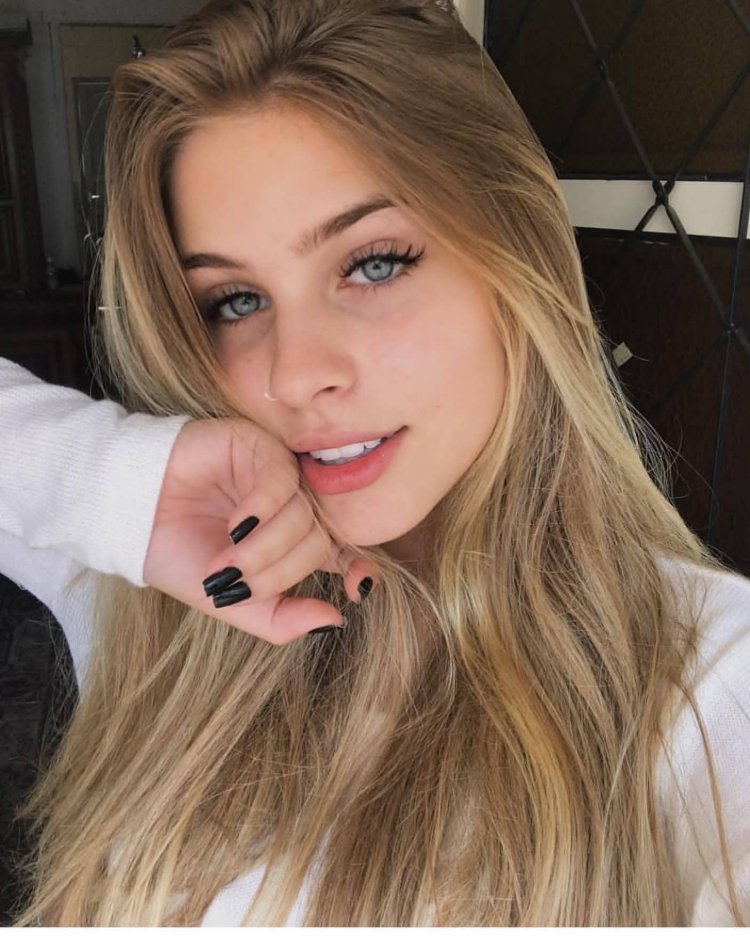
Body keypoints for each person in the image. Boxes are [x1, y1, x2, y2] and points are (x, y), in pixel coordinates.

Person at [1, 0, 749, 925]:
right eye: (235, 301)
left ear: (518, 261)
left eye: (374, 264)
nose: (295, 374)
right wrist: (116, 483)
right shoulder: (156, 589)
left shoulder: (705, 681)